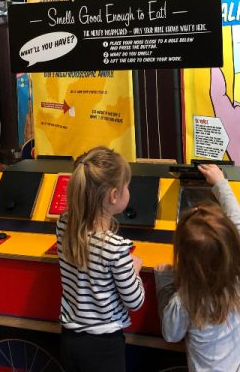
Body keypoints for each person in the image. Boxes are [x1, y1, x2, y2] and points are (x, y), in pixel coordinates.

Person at [154, 163, 240, 372]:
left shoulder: (185, 299)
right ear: (230, 246)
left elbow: (171, 334)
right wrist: (221, 183)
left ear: (186, 260)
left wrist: (164, 282)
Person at [56, 146, 145, 372]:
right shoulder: (116, 248)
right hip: (104, 347)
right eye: (127, 186)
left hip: (69, 339)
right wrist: (134, 270)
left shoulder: (63, 224)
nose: (128, 191)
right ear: (114, 196)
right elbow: (135, 301)